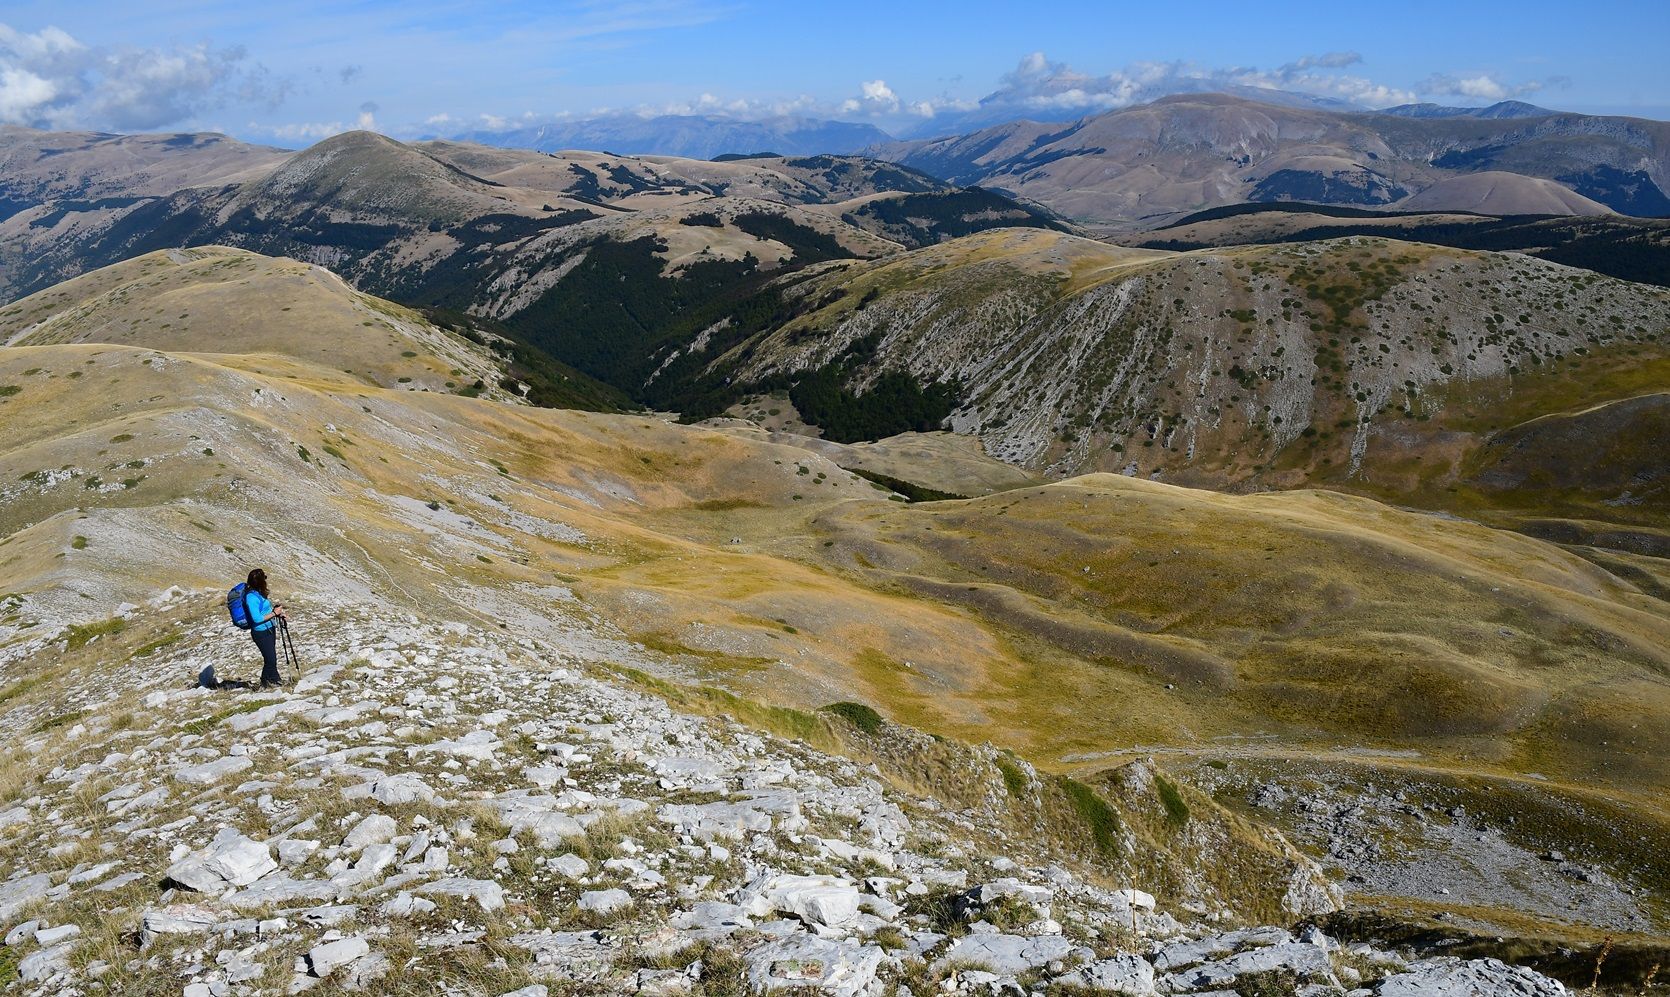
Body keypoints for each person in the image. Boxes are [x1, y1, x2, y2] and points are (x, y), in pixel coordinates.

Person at [242, 568, 287, 688]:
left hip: (269, 628)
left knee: (271, 658)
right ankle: (265, 682)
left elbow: (265, 609)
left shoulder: (258, 593)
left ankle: (274, 679)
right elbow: (257, 618)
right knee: (270, 659)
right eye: (264, 578)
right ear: (260, 581)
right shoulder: (251, 597)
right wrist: (274, 614)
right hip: (261, 632)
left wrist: (278, 613)